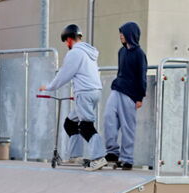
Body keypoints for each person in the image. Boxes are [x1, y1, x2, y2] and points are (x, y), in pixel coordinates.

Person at [39, 24, 107, 171]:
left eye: (65, 41)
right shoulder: (88, 52)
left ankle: (99, 157)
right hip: (94, 91)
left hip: (85, 92)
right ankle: (75, 156)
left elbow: (64, 74)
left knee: (85, 125)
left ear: (69, 39)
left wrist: (49, 87)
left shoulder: (75, 53)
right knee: (70, 123)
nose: (66, 45)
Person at [104, 22, 147, 170]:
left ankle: (127, 158)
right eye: (120, 33)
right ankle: (112, 152)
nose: (120, 36)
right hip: (117, 89)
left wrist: (140, 97)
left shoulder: (140, 54)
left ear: (130, 34)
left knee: (128, 127)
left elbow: (142, 76)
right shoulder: (121, 52)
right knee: (108, 117)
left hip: (130, 94)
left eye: (123, 33)